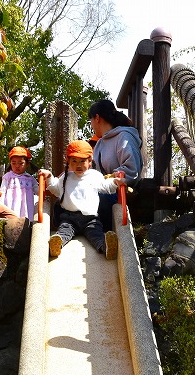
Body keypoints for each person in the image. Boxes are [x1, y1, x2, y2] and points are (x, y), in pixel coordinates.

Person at [39, 140, 126, 260]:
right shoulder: (66, 177)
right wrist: (49, 177)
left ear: (90, 161)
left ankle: (105, 247)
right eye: (74, 161)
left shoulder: (94, 176)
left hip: (90, 219)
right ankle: (56, 244)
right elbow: (56, 189)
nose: (78, 165)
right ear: (68, 161)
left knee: (96, 235)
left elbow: (105, 186)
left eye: (82, 161)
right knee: (64, 232)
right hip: (69, 217)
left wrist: (115, 182)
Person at [88, 99, 143, 230]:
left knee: (101, 199)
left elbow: (132, 170)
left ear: (97, 118)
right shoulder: (100, 143)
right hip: (103, 189)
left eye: (90, 120)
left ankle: (104, 234)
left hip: (121, 190)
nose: (91, 125)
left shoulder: (124, 137)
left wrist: (109, 178)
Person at [0, 146, 39, 219]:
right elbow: (2, 192)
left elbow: (38, 191)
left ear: (27, 164)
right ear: (10, 163)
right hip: (10, 209)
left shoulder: (30, 179)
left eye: (21, 163)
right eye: (14, 163)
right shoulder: (8, 177)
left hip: (26, 210)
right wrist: (1, 207)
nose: (17, 166)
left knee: (25, 221)